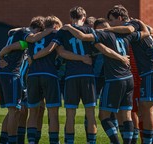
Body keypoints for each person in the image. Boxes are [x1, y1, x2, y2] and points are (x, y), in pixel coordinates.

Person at [61, 17, 150, 144]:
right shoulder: (124, 34)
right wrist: (140, 22)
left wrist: (69, 27)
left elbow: (83, 37)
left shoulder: (103, 35)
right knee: (126, 114)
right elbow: (147, 33)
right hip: (125, 78)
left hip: (113, 79)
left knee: (104, 115)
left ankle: (115, 142)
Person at [28, 6, 99, 144]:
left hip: (68, 76)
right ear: (83, 18)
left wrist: (33, 57)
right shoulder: (89, 30)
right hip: (86, 75)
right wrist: (84, 58)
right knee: (89, 113)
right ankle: (90, 142)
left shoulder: (57, 33)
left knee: (69, 114)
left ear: (71, 17)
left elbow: (60, 52)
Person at [106, 5, 153, 144]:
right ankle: (149, 140)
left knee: (147, 109)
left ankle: (149, 141)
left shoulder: (131, 24)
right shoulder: (137, 24)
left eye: (112, 20)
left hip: (152, 69)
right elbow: (150, 32)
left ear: (120, 18)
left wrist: (106, 29)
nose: (110, 23)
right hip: (148, 70)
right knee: (144, 109)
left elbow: (129, 29)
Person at [0, 16, 53, 144]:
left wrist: (1, 56)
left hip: (10, 73)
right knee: (14, 110)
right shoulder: (25, 34)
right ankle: (11, 141)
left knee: (17, 110)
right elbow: (26, 41)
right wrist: (50, 30)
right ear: (38, 29)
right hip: (11, 74)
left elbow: (11, 36)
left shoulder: (17, 33)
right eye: (40, 32)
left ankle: (4, 140)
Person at [25, 15, 64, 144]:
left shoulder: (34, 36)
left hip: (32, 75)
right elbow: (58, 51)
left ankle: (31, 141)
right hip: (49, 74)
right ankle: (54, 141)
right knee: (53, 112)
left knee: (33, 111)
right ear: (56, 26)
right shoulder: (56, 35)